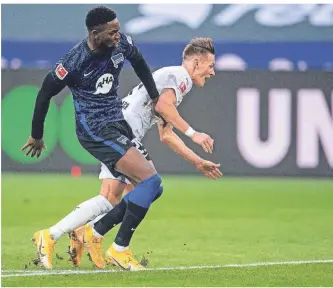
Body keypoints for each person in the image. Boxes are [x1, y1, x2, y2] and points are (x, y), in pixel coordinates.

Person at [20, 6, 213, 270]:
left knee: (131, 192)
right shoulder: (74, 61)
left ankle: (58, 235)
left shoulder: (122, 44)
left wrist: (155, 94)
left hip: (118, 124)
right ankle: (113, 245)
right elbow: (44, 93)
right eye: (112, 32)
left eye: (118, 29)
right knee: (149, 182)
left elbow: (140, 62)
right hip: (95, 130)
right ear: (95, 33)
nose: (117, 35)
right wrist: (37, 134)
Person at [67, 37, 221, 271]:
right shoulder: (180, 77)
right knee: (149, 185)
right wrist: (194, 133)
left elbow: (166, 134)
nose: (213, 72)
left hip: (119, 129)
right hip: (122, 133)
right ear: (197, 63)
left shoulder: (171, 81)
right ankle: (114, 247)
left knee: (123, 194)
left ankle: (88, 233)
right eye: (210, 66)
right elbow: (162, 108)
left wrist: (198, 162)